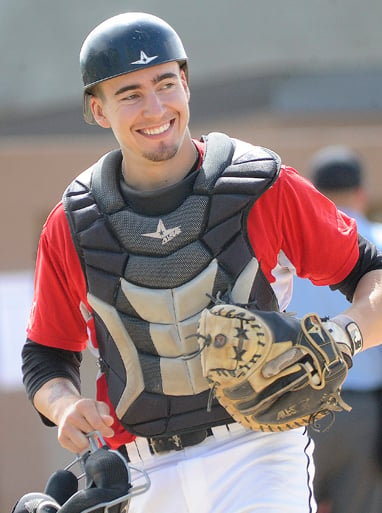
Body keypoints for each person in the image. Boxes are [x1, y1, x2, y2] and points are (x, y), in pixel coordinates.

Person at [21, 12, 382, 513]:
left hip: (260, 451)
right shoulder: (74, 222)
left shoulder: (258, 184)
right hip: (142, 472)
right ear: (98, 110)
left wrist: (346, 334)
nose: (155, 107)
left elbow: (372, 274)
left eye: (165, 83)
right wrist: (63, 405)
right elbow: (45, 354)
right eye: (130, 94)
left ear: (186, 85)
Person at [289, 146, 382, 513]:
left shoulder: (290, 246)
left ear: (313, 192)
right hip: (365, 414)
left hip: (294, 407)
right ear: (361, 192)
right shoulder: (378, 238)